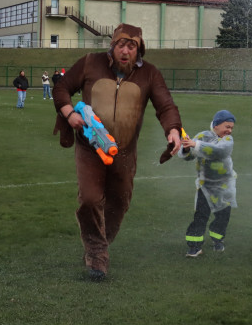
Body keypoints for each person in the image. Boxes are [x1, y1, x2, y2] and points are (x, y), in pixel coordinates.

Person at [53, 24, 182, 281]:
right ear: (112, 46)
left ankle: (98, 243)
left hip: (124, 151)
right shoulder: (90, 63)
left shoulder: (150, 75)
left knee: (120, 203)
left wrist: (174, 130)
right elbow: (61, 88)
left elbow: (166, 105)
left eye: (131, 46)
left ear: (139, 50)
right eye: (121, 45)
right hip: (90, 148)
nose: (125, 51)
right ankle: (97, 254)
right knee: (90, 199)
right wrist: (70, 114)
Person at [180, 110, 237, 257]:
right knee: (201, 215)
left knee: (223, 215)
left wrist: (195, 144)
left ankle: (218, 240)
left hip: (225, 186)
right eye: (227, 126)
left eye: (231, 128)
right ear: (217, 125)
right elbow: (188, 156)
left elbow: (220, 152)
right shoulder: (202, 136)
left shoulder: (227, 140)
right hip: (205, 186)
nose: (229, 130)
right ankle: (194, 246)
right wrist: (186, 148)